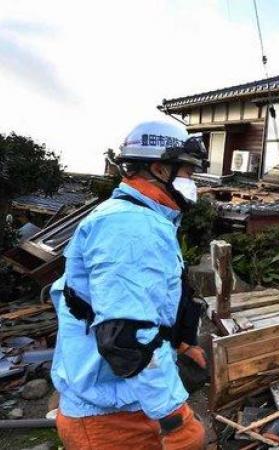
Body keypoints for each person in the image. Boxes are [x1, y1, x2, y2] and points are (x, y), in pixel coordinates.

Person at [50, 120, 209, 449]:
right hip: (111, 421)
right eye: (188, 173)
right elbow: (128, 338)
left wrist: (177, 343)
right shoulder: (131, 226)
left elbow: (138, 306)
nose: (193, 182)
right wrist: (174, 419)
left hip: (122, 405)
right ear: (160, 169)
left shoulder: (135, 218)